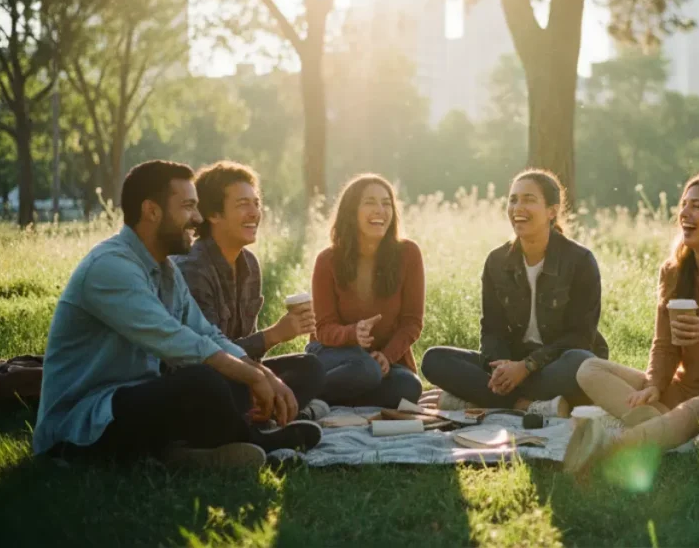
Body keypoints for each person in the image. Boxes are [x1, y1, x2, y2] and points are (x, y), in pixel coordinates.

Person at [34, 160, 321, 468]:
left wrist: (266, 376)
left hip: (145, 401)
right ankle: (255, 440)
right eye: (188, 207)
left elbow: (209, 335)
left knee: (259, 374)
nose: (197, 219)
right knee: (203, 379)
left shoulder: (167, 271)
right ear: (151, 211)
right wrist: (252, 375)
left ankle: (188, 452)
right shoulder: (110, 267)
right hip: (85, 424)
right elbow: (182, 344)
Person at [563, 174, 699, 473]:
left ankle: (610, 447)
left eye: (697, 206)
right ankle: (677, 436)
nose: (684, 214)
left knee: (698, 405)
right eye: (684, 204)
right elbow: (663, 345)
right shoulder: (674, 271)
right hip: (679, 390)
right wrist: (653, 385)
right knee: (589, 368)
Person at [420, 169, 606, 417]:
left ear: (552, 211)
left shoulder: (580, 261)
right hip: (515, 362)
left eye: (529, 199)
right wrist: (502, 367)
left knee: (581, 363)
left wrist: (527, 367)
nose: (518, 207)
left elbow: (580, 337)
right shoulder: (497, 261)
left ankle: (486, 399)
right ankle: (526, 405)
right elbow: (492, 329)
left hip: (557, 364)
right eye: (513, 199)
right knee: (434, 360)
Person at [175, 161, 328, 422]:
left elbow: (246, 354)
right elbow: (211, 355)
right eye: (243, 204)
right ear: (213, 214)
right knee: (213, 385)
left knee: (309, 367)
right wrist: (274, 335)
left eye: (256, 203)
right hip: (203, 377)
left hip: (242, 375)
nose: (254, 212)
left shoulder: (249, 265)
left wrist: (265, 374)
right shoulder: (193, 269)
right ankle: (266, 418)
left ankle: (263, 414)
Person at [307, 174, 425, 408]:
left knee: (409, 387)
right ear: (351, 211)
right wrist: (353, 333)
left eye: (386, 203)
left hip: (380, 361)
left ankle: (328, 398)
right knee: (365, 369)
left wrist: (387, 356)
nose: (380, 210)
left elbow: (412, 323)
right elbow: (323, 329)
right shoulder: (327, 260)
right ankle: (301, 392)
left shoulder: (408, 254)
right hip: (335, 355)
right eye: (370, 202)